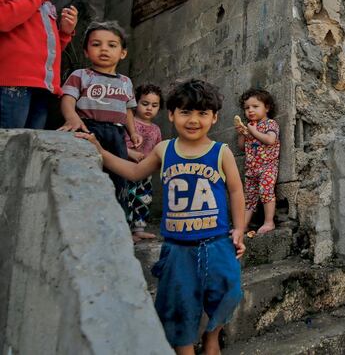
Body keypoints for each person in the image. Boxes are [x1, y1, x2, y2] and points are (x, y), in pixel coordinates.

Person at [78, 79, 246, 355]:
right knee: (177, 306)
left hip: (217, 244)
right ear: (171, 114)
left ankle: (212, 336)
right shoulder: (164, 150)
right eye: (185, 112)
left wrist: (239, 229)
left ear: (214, 117)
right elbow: (133, 173)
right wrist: (101, 152)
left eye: (202, 113)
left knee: (228, 292)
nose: (193, 120)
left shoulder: (221, 152)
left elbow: (236, 191)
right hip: (178, 250)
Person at [59, 21, 141, 215]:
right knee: (85, 174)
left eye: (112, 45)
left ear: (122, 53)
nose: (104, 49)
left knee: (118, 177)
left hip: (116, 133)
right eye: (96, 44)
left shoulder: (126, 82)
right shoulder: (80, 75)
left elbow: (128, 109)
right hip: (87, 130)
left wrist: (133, 132)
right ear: (86, 52)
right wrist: (72, 118)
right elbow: (67, 99)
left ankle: (117, 219)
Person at [0, 0, 78, 128]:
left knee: (29, 147)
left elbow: (48, 50)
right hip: (9, 83)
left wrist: (65, 33)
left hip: (41, 87)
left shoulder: (44, 3)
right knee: (8, 147)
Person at [236, 88, 280, 234]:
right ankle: (243, 226)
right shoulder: (249, 126)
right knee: (249, 198)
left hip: (267, 167)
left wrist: (253, 132)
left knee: (266, 192)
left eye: (255, 106)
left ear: (266, 108)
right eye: (247, 108)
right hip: (251, 169)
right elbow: (242, 148)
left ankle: (269, 222)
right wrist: (243, 134)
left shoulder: (270, 124)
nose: (250, 110)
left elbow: (270, 140)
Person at [124, 83, 164, 241]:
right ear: (135, 103)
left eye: (154, 105)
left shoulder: (156, 129)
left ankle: (139, 229)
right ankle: (125, 230)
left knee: (143, 199)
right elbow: (117, 144)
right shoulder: (128, 123)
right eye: (145, 103)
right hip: (127, 169)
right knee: (127, 198)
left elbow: (158, 149)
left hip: (145, 173)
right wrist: (130, 153)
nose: (149, 108)